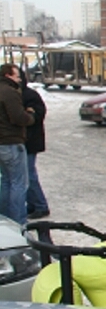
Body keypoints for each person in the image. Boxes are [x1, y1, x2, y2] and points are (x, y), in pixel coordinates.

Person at [0, 64, 35, 225]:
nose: (19, 80)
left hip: (2, 144)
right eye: (17, 76)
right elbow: (17, 117)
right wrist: (29, 115)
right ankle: (18, 223)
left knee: (6, 181)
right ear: (8, 75)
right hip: (11, 142)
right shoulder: (8, 92)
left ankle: (6, 220)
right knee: (19, 183)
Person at [20, 70, 50, 219]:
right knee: (26, 174)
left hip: (30, 142)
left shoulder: (29, 95)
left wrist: (28, 115)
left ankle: (40, 206)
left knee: (29, 174)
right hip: (26, 141)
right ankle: (33, 204)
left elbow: (39, 114)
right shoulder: (20, 94)